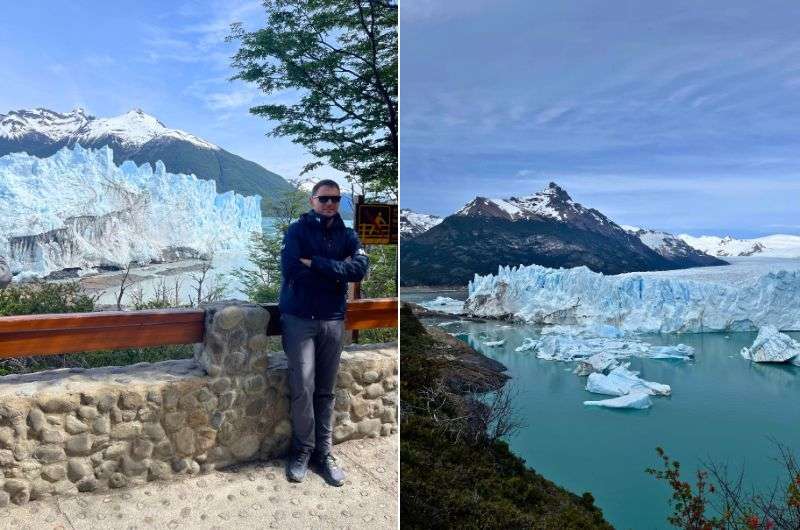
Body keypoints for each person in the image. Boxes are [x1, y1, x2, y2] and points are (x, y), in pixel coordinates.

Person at [279, 179, 369, 486]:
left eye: (335, 199)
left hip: (332, 319)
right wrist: (335, 271)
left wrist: (315, 263)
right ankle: (303, 450)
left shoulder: (348, 234)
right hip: (299, 319)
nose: (330, 204)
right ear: (312, 200)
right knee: (303, 386)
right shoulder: (297, 231)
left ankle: (324, 452)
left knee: (326, 389)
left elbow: (358, 270)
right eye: (324, 198)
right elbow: (291, 270)